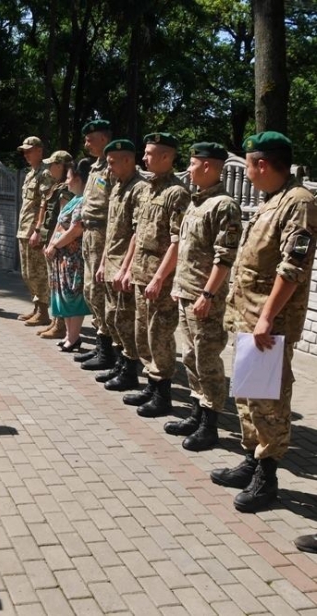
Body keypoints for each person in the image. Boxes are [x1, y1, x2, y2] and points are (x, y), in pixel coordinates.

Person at [211, 131, 317, 514]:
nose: (247, 173)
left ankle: (267, 477)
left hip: (268, 324)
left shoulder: (299, 202)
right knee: (249, 394)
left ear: (260, 164)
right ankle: (253, 459)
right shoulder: (273, 201)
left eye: (249, 164)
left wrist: (268, 317)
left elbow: (294, 266)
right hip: (247, 317)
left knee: (269, 399)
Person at [166, 143, 242, 451]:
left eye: (193, 163)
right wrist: (177, 285)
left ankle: (210, 425)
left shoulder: (224, 205)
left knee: (208, 359)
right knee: (190, 357)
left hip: (205, 298)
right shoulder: (197, 202)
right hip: (186, 292)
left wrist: (208, 293)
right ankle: (197, 413)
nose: (189, 168)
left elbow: (225, 256)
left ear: (209, 166)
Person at [122, 132, 190, 417]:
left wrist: (160, 278)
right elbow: (137, 233)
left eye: (150, 153)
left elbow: (178, 241)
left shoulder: (177, 193)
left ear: (166, 157)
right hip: (140, 273)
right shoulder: (147, 189)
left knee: (159, 335)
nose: (144, 158)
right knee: (143, 333)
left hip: (159, 279)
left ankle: (163, 396)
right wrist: (127, 268)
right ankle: (151, 386)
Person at [94, 139, 147, 391]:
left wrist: (126, 268)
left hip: (124, 266)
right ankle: (118, 362)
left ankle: (129, 370)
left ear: (128, 160)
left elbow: (137, 234)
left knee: (125, 321)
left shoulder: (140, 189)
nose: (109, 167)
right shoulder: (117, 187)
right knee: (112, 318)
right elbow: (111, 229)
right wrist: (104, 261)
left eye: (113, 162)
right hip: (111, 262)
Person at [75, 120, 115, 370]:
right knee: (90, 291)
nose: (86, 143)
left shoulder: (113, 166)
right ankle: (100, 345)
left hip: (103, 234)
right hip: (89, 234)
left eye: (90, 139)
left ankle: (108, 351)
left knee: (100, 293)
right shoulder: (95, 167)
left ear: (102, 139)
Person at [44, 159, 92, 350]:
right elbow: (59, 223)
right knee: (62, 295)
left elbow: (75, 230)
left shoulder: (82, 202)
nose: (66, 181)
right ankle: (68, 336)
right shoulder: (73, 199)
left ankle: (73, 337)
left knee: (72, 296)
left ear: (79, 179)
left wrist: (54, 245)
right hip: (61, 256)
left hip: (73, 257)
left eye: (70, 177)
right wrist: (51, 245)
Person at [16, 136, 55, 328]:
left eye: (29, 151)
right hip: (24, 229)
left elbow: (46, 203)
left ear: (39, 150)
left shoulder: (45, 173)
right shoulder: (30, 173)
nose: (26, 154)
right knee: (27, 273)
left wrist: (38, 230)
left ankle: (43, 311)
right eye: (24, 151)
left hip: (34, 230)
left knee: (38, 272)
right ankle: (36, 306)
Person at [36, 150, 74, 340]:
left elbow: (64, 218)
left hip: (58, 243)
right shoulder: (57, 186)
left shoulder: (65, 189)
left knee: (58, 285)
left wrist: (54, 244)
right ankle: (55, 321)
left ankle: (60, 326)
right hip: (52, 240)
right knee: (54, 284)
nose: (49, 167)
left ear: (60, 165)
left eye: (52, 164)